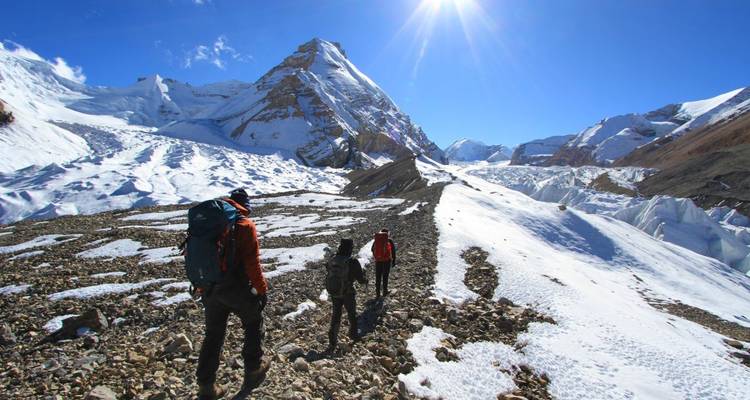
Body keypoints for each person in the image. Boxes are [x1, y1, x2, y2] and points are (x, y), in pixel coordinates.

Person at [195, 189, 270, 400]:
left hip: (210, 289)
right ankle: (253, 370)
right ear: (245, 205)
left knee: (213, 335)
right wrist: (261, 289)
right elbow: (252, 263)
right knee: (253, 323)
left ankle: (206, 385)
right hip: (236, 288)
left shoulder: (210, 223)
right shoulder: (244, 225)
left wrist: (202, 287)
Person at [326, 238, 367, 352]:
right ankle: (353, 334)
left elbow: (327, 269)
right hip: (348, 292)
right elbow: (360, 279)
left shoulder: (333, 259)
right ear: (350, 247)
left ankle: (332, 340)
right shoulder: (352, 261)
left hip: (335, 292)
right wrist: (365, 280)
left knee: (336, 315)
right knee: (351, 313)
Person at [371, 229, 396, 298]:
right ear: (387, 234)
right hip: (387, 261)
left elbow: (372, 249)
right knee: (385, 276)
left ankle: (377, 293)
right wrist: (393, 261)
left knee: (378, 276)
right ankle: (385, 291)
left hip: (378, 261)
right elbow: (393, 252)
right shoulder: (389, 240)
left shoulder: (377, 240)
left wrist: (376, 256)